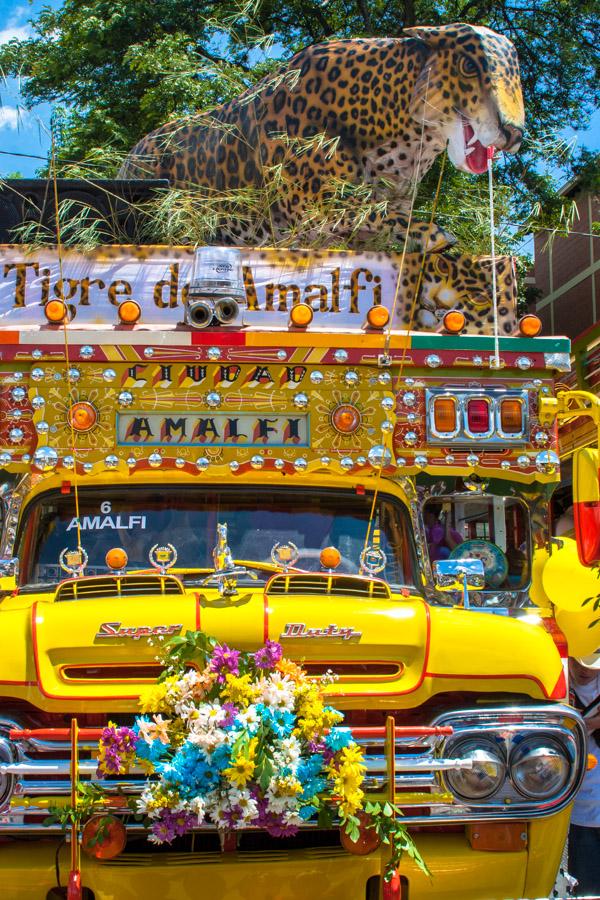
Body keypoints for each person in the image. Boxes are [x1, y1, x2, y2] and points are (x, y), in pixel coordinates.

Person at [568, 655, 600, 897]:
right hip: (579, 810)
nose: (583, 670)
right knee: (585, 888)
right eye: (577, 662)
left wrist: (591, 723)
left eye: (590, 665)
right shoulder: (557, 689)